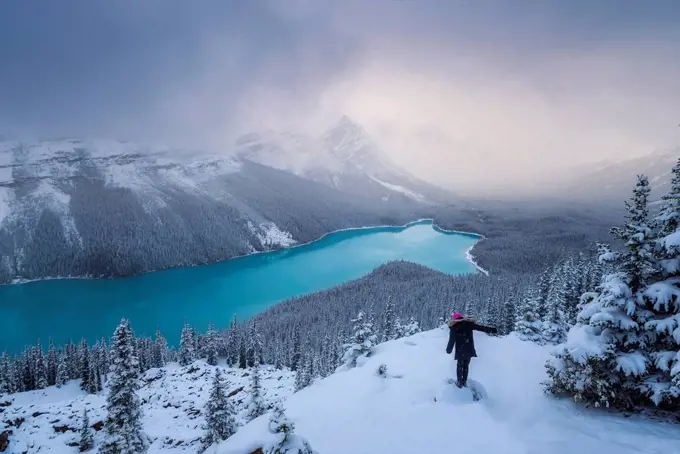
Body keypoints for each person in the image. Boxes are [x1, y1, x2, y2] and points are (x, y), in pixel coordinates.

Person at [445, 312, 497, 388]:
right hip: (469, 349)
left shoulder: (454, 327)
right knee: (466, 365)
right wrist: (493, 330)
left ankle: (459, 382)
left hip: (460, 350)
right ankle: (464, 382)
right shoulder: (469, 324)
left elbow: (451, 340)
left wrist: (448, 350)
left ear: (454, 320)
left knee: (460, 366)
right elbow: (481, 328)